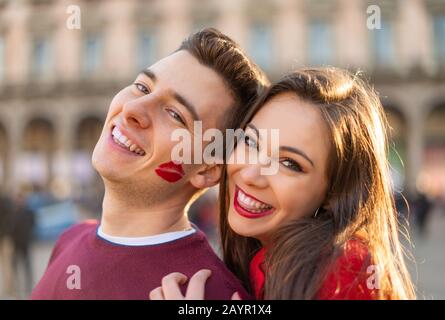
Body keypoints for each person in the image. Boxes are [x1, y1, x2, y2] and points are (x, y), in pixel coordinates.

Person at [31, 28, 268, 300]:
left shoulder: (212, 296)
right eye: (142, 86)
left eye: (175, 114)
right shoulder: (69, 239)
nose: (133, 109)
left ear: (207, 169)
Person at [150, 67, 416, 300]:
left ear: (333, 192)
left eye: (289, 163)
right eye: (250, 142)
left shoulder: (345, 267)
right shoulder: (266, 260)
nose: (251, 174)